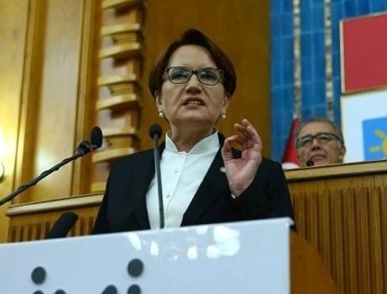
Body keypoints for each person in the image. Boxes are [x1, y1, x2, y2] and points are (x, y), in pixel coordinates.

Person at [91, 29, 294, 234]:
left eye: (208, 76)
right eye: (179, 75)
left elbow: (285, 247)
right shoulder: (125, 173)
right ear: (159, 100)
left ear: (225, 101)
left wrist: (244, 192)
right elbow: (99, 249)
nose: (194, 86)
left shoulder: (263, 174)